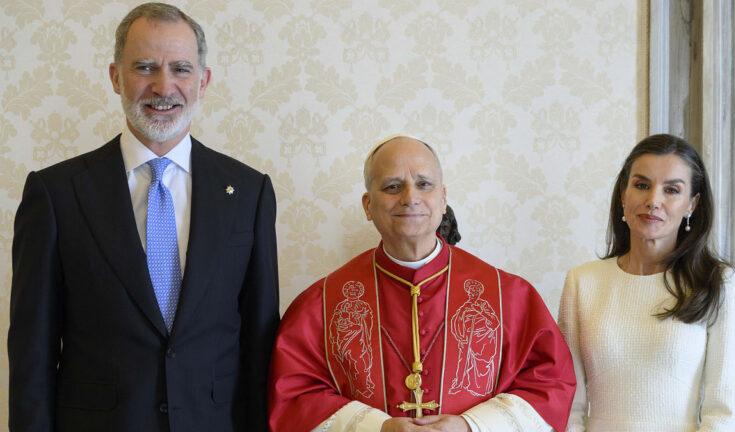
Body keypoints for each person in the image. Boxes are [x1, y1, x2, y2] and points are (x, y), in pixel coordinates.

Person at [7, 3, 279, 431]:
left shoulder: (249, 192)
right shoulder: (56, 194)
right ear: (116, 77)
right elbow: (32, 352)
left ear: (203, 81)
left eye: (181, 69)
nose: (163, 86)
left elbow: (260, 343)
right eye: (145, 67)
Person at [269, 135, 576, 432]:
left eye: (424, 184)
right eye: (392, 186)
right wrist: (376, 428)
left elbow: (550, 384)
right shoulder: (321, 303)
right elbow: (294, 396)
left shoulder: (509, 296)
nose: (410, 198)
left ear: (443, 199)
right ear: (368, 205)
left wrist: (471, 426)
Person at [557, 134, 735, 431]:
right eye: (642, 185)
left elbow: (723, 412)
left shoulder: (717, 282)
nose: (653, 201)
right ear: (623, 194)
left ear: (692, 204)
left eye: (672, 190)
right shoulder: (582, 282)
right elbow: (569, 404)